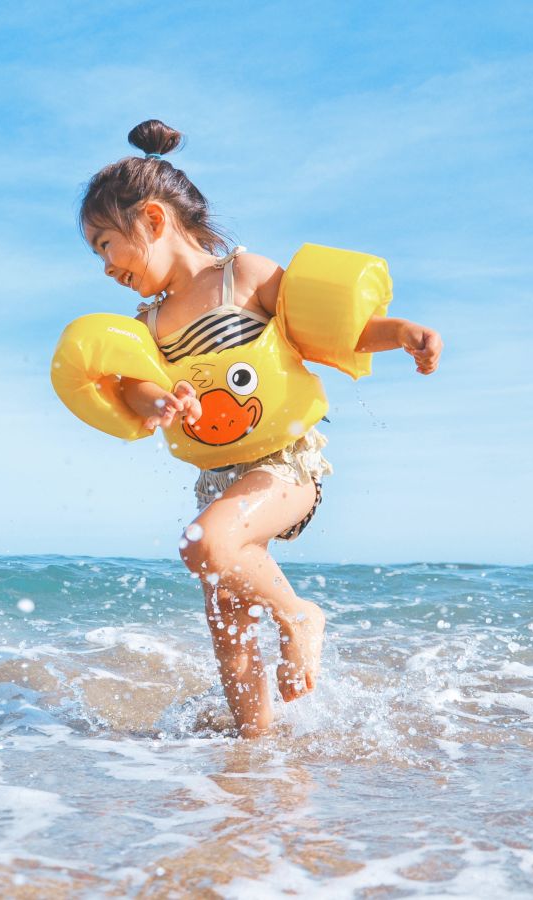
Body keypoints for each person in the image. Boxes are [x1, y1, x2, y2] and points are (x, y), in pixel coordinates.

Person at [78, 120, 442, 737]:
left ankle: (300, 617)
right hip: (217, 479)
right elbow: (137, 386)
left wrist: (401, 332)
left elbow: (329, 330)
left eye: (105, 244)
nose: (105, 266)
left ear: (154, 220)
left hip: (286, 465)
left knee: (203, 546)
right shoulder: (149, 321)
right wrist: (161, 401)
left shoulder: (241, 276)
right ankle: (254, 752)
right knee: (227, 620)